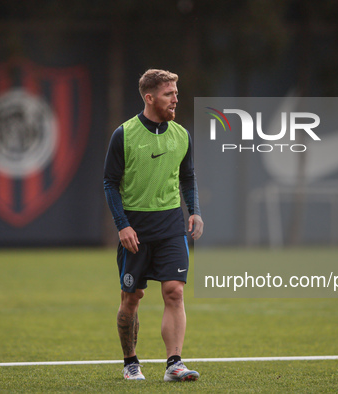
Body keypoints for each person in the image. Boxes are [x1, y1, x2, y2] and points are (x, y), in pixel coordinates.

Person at [103, 69, 204, 382]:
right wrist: (122, 225)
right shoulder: (124, 134)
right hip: (136, 229)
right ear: (149, 98)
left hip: (171, 225)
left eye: (176, 92)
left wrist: (194, 211)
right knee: (131, 299)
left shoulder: (181, 135)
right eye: (168, 94)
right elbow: (110, 182)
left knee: (174, 292)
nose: (175, 99)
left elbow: (187, 177)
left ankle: (174, 363)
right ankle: (130, 362)